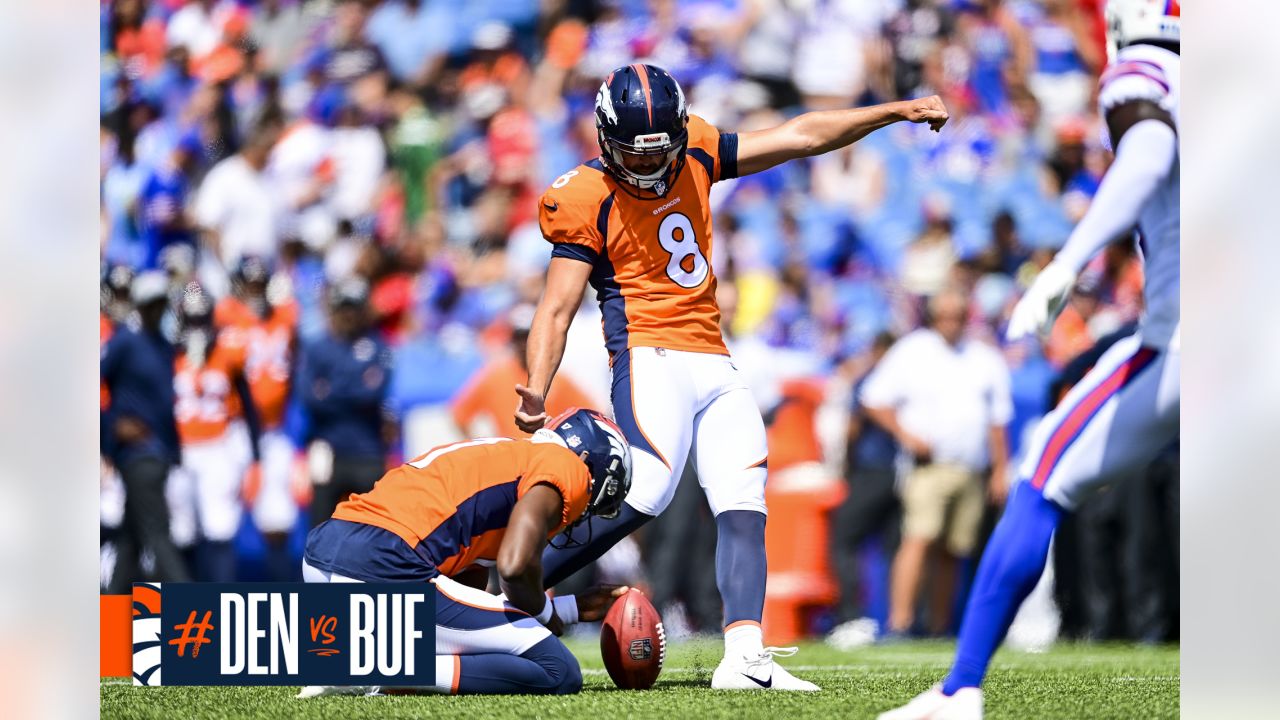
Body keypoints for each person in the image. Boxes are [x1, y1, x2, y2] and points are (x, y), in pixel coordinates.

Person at [516, 62, 948, 691]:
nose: (646, 166)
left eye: (658, 150)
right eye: (633, 153)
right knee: (650, 488)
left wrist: (891, 111)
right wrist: (537, 384)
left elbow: (801, 136)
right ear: (606, 137)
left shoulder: (696, 145)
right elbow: (556, 309)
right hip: (648, 352)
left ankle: (745, 656)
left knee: (743, 497)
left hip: (714, 355)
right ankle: (515, 580)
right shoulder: (582, 195)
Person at [880, 2, 1180, 717]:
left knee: (1043, 470)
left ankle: (961, 690)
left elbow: (1149, 156)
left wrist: (1065, 266)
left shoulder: (1146, 70)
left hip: (1190, 341)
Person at [298, 408, 632, 697]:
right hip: (384, 565)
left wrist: (569, 609)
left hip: (323, 558)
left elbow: (467, 601)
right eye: (598, 497)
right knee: (558, 669)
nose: (585, 509)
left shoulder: (507, 458)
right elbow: (514, 568)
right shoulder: (566, 466)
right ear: (589, 461)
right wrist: (548, 616)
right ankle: (378, 671)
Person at [860, 289, 1012, 638]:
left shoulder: (984, 356)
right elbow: (874, 398)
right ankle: (900, 622)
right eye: (944, 315)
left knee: (953, 549)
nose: (951, 322)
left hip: (971, 467)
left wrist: (1001, 469)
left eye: (957, 315)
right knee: (919, 538)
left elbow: (997, 419)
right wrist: (906, 434)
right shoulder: (914, 350)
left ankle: (939, 626)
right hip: (928, 466)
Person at [100, 271, 190, 591]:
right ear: (139, 306)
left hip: (159, 452)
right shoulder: (125, 341)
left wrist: (175, 452)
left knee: (131, 538)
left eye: (160, 304)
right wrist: (112, 425)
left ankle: (111, 609)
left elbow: (166, 408)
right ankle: (190, 606)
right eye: (150, 304)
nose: (156, 310)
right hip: (137, 454)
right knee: (157, 532)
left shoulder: (163, 346)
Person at [215, 257, 302, 580]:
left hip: (273, 430)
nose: (254, 291)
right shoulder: (225, 317)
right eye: (248, 284)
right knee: (221, 516)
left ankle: (281, 589)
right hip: (232, 430)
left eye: (259, 284)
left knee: (277, 517)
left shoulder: (283, 318)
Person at [168, 283, 260, 582]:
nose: (196, 326)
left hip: (219, 447)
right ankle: (186, 607)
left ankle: (219, 602)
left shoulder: (228, 351)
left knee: (219, 527)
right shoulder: (167, 354)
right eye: (191, 319)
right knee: (182, 531)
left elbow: (247, 404)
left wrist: (254, 457)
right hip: (179, 449)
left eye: (201, 318)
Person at [297, 277, 394, 526]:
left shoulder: (378, 346)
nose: (349, 315)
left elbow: (373, 393)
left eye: (355, 309)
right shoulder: (317, 348)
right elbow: (309, 397)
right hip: (327, 448)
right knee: (319, 525)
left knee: (372, 528)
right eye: (344, 308)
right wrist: (355, 384)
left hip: (367, 450)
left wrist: (331, 389)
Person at [452, 303, 595, 439]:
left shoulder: (556, 379)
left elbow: (591, 413)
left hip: (546, 456)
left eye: (528, 337)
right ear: (512, 341)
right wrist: (484, 448)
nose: (524, 344)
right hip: (510, 457)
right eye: (519, 338)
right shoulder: (495, 377)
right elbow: (460, 414)